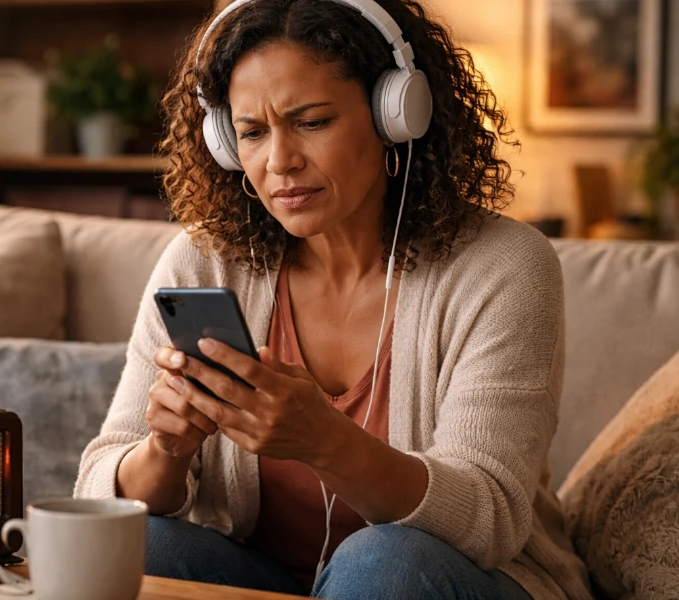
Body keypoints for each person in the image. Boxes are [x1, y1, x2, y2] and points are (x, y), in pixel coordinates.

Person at [75, 0, 592, 598]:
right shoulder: (204, 262)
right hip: (263, 577)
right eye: (252, 132)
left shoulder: (502, 267)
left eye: (313, 121)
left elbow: (489, 520)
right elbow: (97, 486)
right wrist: (165, 450)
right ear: (224, 143)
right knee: (138, 541)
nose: (280, 161)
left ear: (395, 114)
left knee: (383, 562)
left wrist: (325, 440)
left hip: (453, 579)